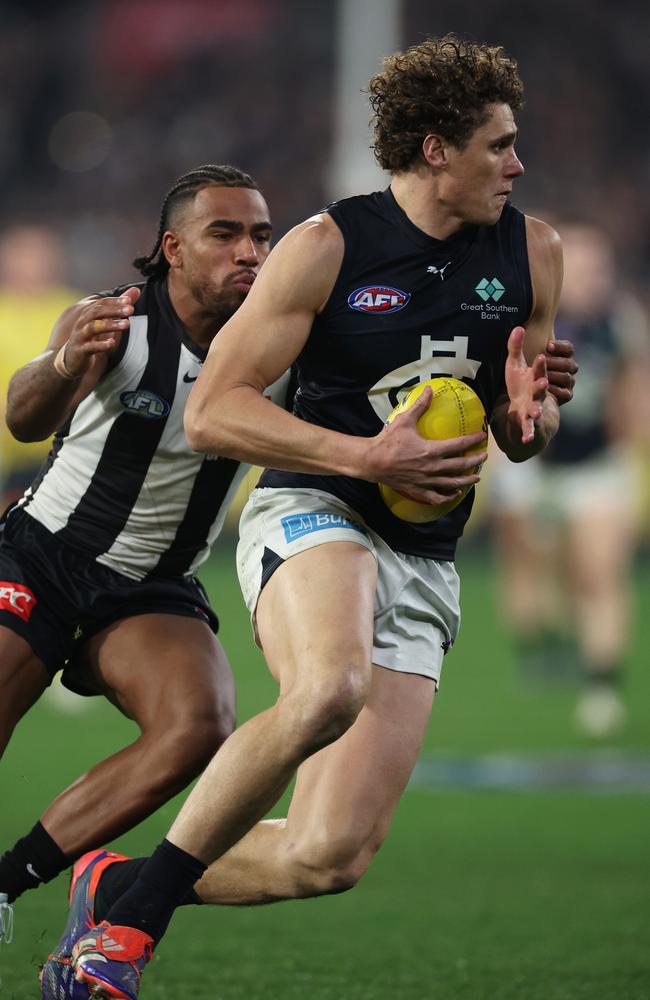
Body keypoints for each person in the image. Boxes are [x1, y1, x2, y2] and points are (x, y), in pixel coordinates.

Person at [41, 36, 577, 999]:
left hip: (426, 550)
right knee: (327, 687)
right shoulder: (330, 245)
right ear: (433, 150)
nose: (518, 163)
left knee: (328, 856)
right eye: (498, 145)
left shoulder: (535, 251)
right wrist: (365, 457)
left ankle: (113, 884)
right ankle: (123, 943)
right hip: (316, 505)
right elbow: (214, 412)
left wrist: (525, 418)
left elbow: (521, 431)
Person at [0, 164, 286, 948]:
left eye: (261, 235)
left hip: (152, 588)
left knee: (199, 725)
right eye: (224, 234)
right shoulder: (114, 320)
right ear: (174, 248)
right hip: (43, 557)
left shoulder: (281, 340)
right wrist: (63, 364)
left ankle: (8, 883)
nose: (250, 253)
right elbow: (24, 420)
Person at [488, 221, 650, 737]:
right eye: (579, 266)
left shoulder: (619, 322)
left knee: (599, 572)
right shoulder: (529, 317)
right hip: (531, 467)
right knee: (530, 565)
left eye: (597, 266)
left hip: (596, 464)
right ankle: (540, 646)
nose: (590, 277)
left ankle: (602, 683)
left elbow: (634, 393)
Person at [0, 225, 80, 506]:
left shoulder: (75, 309)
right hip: (13, 461)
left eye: (39, 254)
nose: (33, 262)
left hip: (69, 455)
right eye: (24, 254)